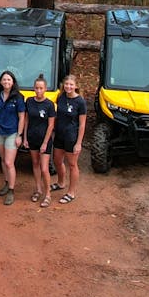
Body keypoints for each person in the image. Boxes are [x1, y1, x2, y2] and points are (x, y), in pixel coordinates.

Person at [52, 75, 89, 204]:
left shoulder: (80, 102)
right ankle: (61, 182)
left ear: (76, 86)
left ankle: (71, 192)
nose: (68, 86)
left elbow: (83, 124)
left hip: (72, 137)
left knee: (72, 165)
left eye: (71, 84)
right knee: (57, 161)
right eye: (66, 84)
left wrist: (79, 143)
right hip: (59, 135)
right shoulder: (60, 97)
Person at [0, 70, 26, 205]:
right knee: (2, 159)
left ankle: (11, 190)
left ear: (13, 82)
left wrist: (19, 135)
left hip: (12, 132)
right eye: (4, 80)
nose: (6, 82)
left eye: (9, 80)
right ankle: (6, 183)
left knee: (8, 162)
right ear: (1, 82)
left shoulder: (18, 97)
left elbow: (22, 117)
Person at [23, 75, 56, 207]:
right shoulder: (29, 101)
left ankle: (48, 194)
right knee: (35, 164)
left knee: (44, 168)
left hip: (44, 140)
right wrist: (25, 137)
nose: (38, 90)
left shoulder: (49, 105)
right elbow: (26, 120)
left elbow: (51, 125)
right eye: (36, 88)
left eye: (41, 88)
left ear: (45, 89)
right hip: (32, 137)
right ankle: (38, 189)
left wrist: (45, 143)